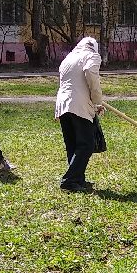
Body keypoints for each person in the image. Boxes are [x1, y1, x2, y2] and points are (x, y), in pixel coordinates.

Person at [56, 36, 104, 192]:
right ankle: (70, 181)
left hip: (63, 105)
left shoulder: (69, 58)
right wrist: (97, 102)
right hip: (78, 105)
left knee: (73, 143)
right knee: (86, 144)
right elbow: (90, 72)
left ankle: (77, 179)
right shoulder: (92, 55)